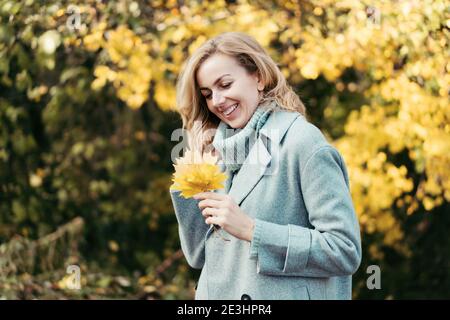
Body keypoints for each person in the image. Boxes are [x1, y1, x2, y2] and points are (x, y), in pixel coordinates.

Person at [170, 32, 362, 300]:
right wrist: (193, 171)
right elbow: (198, 256)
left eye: (225, 84)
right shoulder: (219, 153)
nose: (217, 101)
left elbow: (344, 250)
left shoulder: (302, 142)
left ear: (258, 77)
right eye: (207, 94)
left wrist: (252, 230)